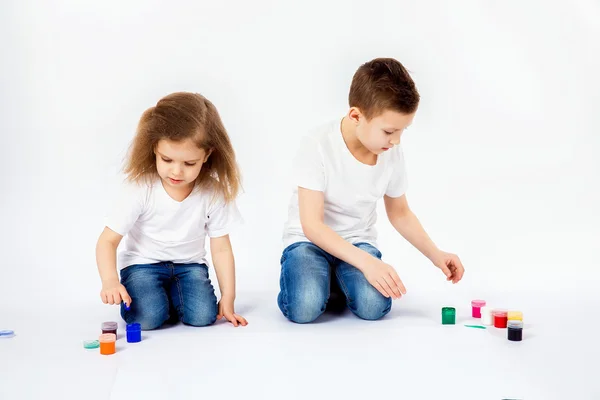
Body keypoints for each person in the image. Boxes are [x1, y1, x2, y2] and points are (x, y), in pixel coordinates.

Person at [278, 58, 465, 323]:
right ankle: (321, 281)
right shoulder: (317, 144)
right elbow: (313, 226)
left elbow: (400, 213)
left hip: (356, 241)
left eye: (402, 131)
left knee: (373, 306)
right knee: (304, 307)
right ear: (356, 116)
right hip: (309, 243)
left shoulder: (390, 151)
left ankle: (333, 282)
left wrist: (437, 254)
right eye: (389, 131)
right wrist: (367, 264)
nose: (396, 140)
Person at [96, 92, 248, 330]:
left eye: (189, 163)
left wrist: (228, 298)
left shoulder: (212, 191)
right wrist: (110, 281)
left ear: (207, 155)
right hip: (142, 265)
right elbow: (107, 241)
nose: (176, 172)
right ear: (154, 147)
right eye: (167, 160)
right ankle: (159, 299)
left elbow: (221, 248)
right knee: (147, 318)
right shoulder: (140, 187)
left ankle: (169, 297)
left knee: (203, 317)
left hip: (189, 267)